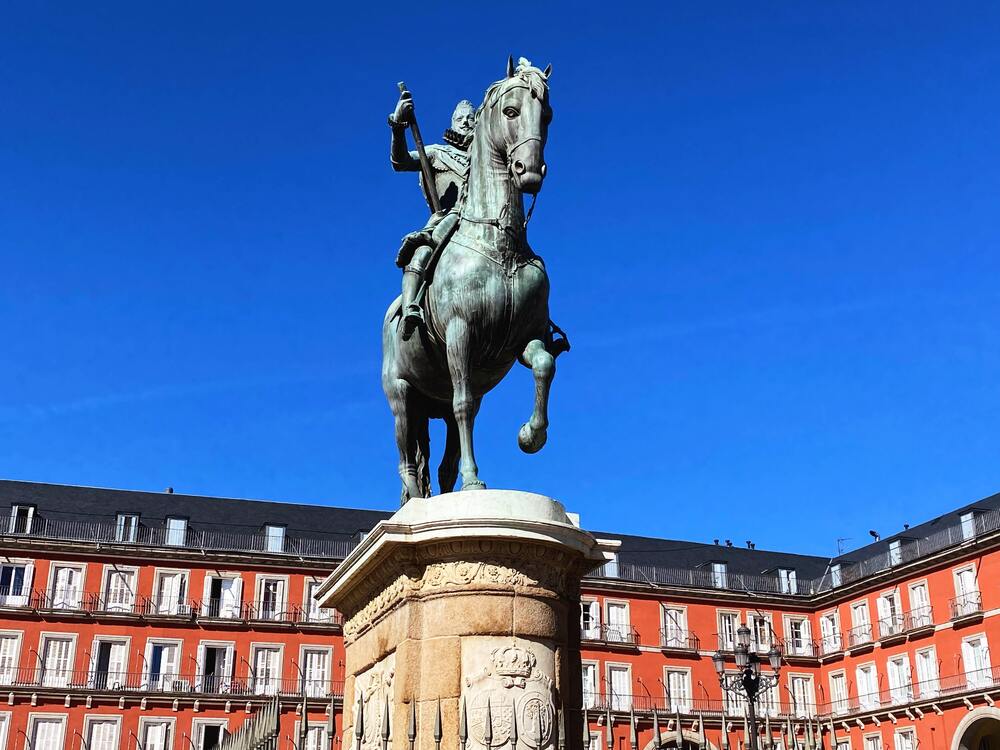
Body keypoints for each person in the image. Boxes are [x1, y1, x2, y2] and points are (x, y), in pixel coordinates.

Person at [388, 92, 475, 338]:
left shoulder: (486, 159)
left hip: (483, 221)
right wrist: (398, 125)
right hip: (448, 219)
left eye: (471, 118)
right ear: (452, 122)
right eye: (460, 119)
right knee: (423, 251)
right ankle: (411, 308)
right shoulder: (438, 153)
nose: (466, 122)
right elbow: (400, 161)